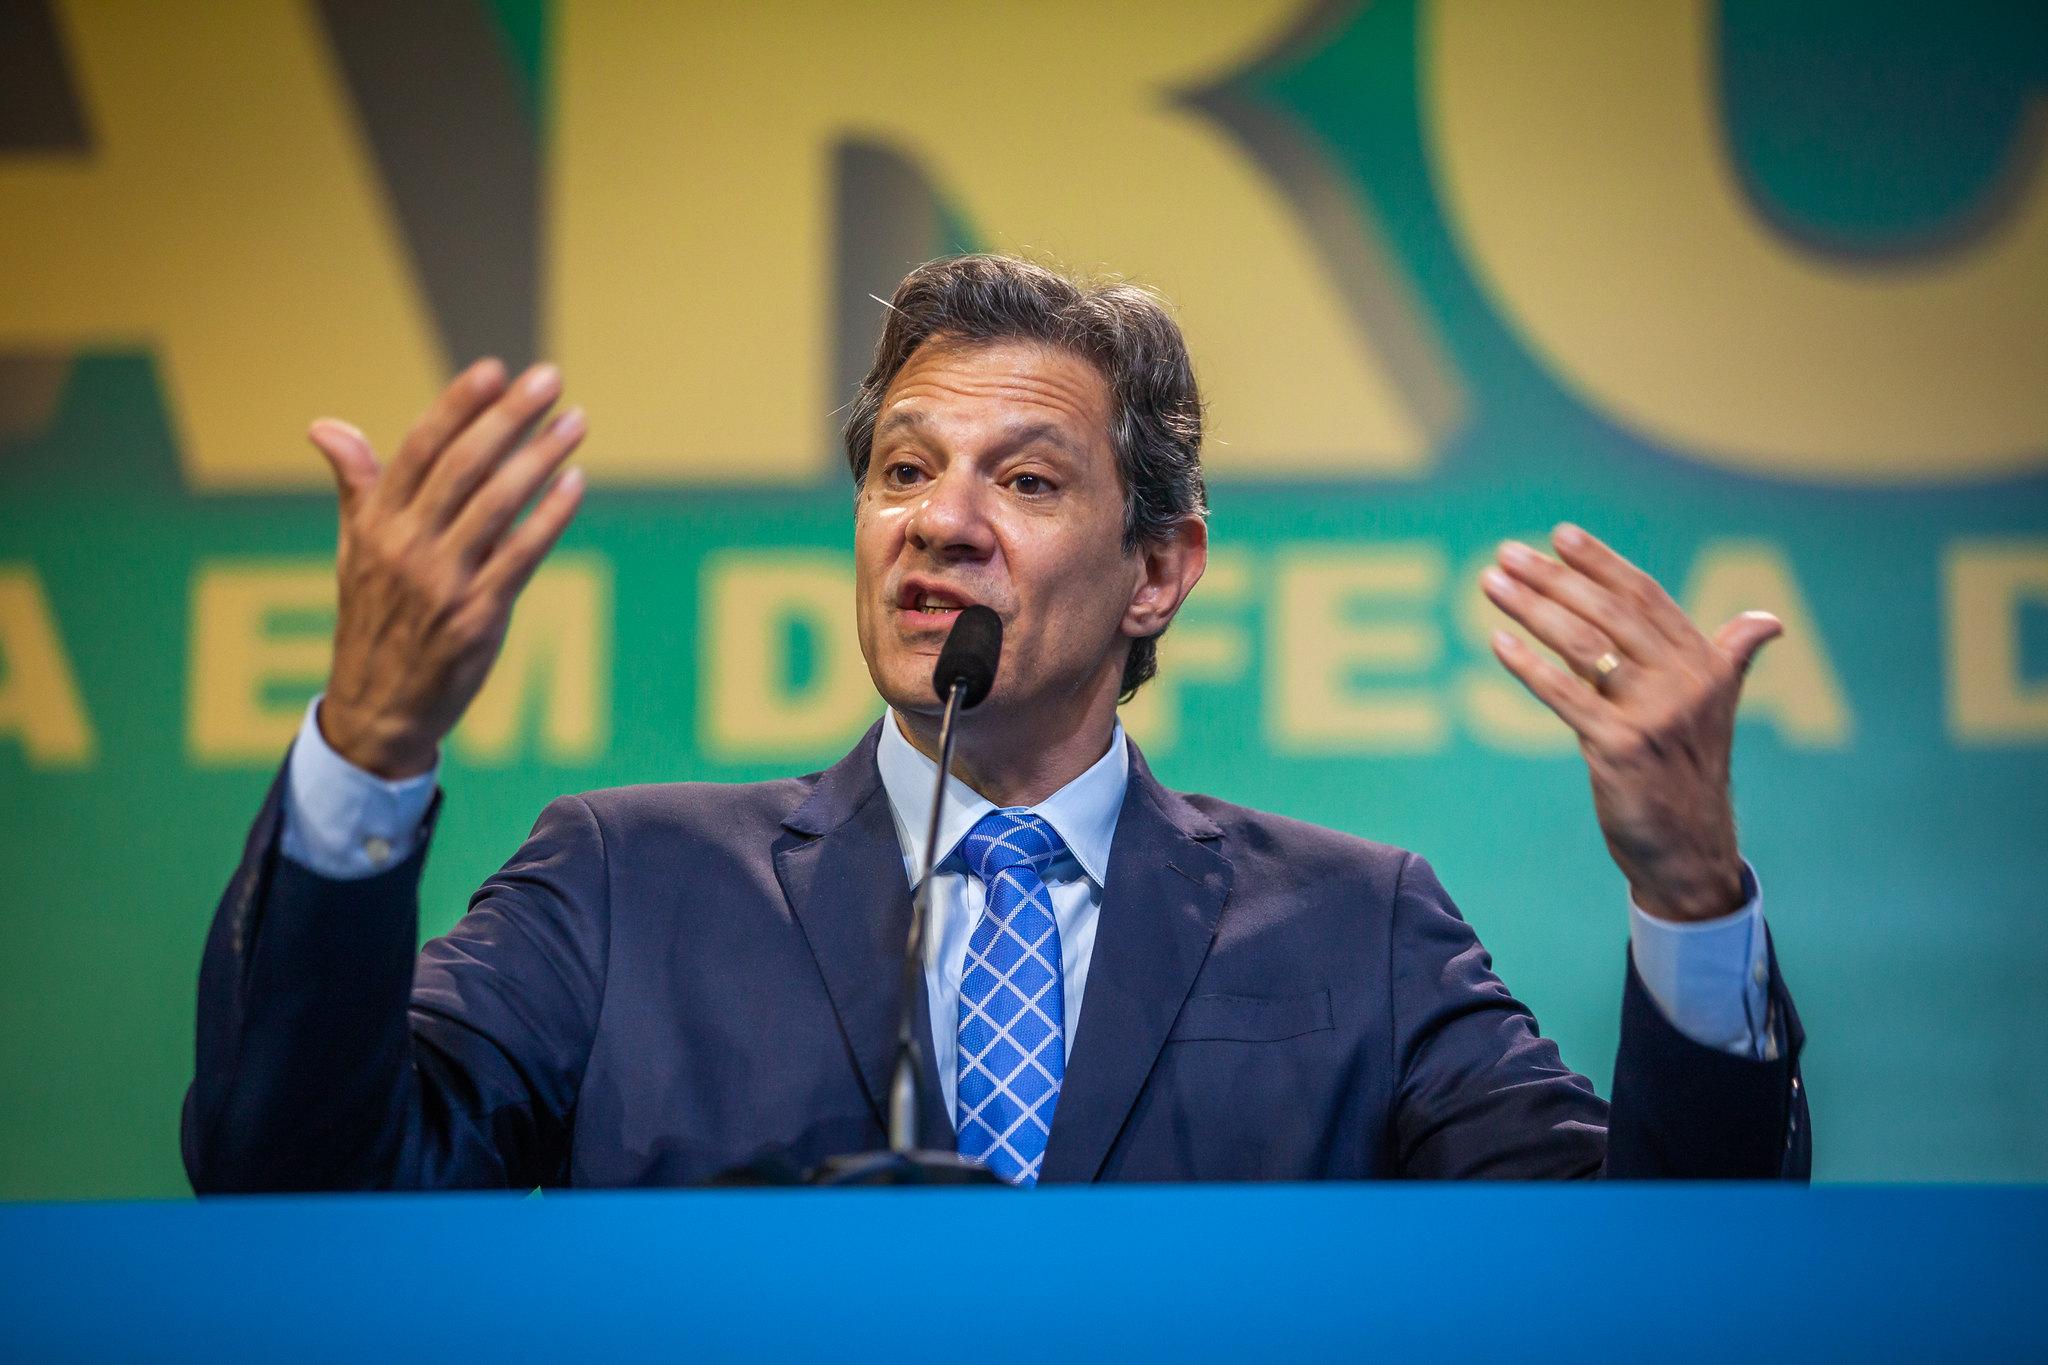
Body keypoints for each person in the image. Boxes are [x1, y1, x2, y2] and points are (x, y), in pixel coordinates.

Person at [184, 255, 1806, 1190]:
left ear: (1160, 566)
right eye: (901, 468)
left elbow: (1661, 1277)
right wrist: (368, 756)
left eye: (1023, 480)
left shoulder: (1356, 927)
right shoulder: (626, 882)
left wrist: (1690, 900)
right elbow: (293, 1174)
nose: (934, 521)